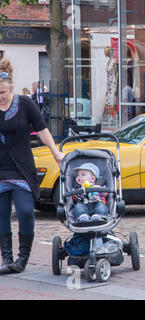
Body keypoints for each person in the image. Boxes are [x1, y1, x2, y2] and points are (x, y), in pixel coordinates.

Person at [0, 58, 64, 274]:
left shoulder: (25, 104)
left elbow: (42, 129)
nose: (1, 97)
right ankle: (7, 259)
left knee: (26, 211)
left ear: (12, 89)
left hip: (21, 168)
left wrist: (55, 153)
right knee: (1, 215)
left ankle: (22, 258)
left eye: (4, 93)